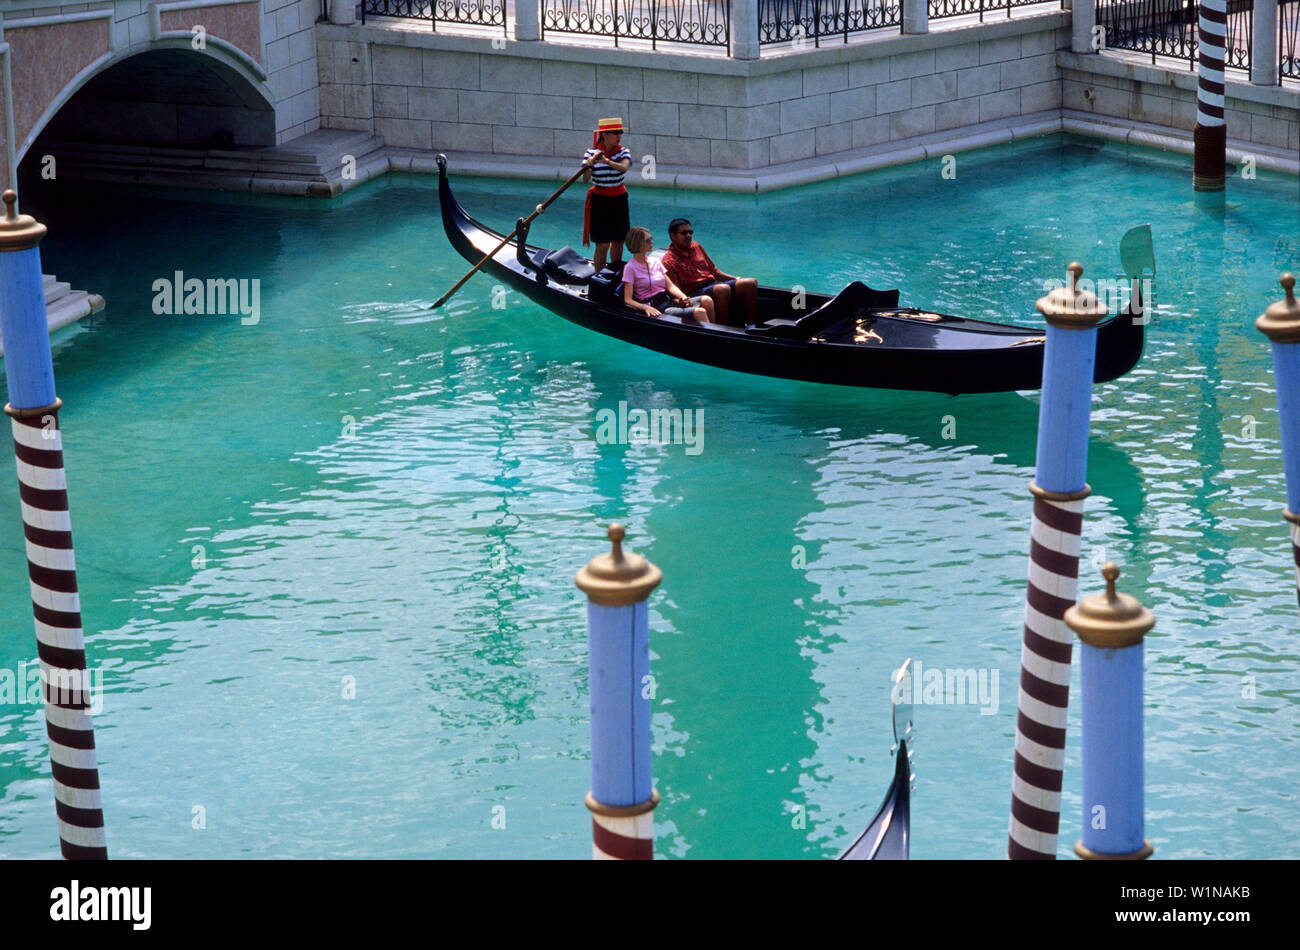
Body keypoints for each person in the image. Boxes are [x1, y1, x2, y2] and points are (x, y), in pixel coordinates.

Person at [660, 218, 759, 326]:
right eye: (684, 233)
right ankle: (722, 329)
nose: (688, 235)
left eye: (690, 232)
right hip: (694, 292)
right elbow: (675, 290)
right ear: (673, 235)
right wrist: (682, 300)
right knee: (723, 289)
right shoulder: (668, 261)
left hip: (712, 284)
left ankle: (751, 326)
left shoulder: (696, 246)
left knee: (750, 283)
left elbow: (714, 271)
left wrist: (735, 279)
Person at [621, 227, 715, 323]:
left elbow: (670, 286)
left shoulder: (655, 262)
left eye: (651, 239)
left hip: (668, 301)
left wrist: (683, 297)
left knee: (707, 300)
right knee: (700, 312)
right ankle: (712, 337)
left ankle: (717, 331)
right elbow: (627, 299)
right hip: (656, 307)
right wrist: (645, 307)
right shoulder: (630, 268)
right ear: (638, 243)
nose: (651, 242)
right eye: (648, 240)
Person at [581, 117, 632, 273]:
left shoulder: (623, 151)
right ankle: (599, 277)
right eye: (616, 133)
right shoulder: (590, 153)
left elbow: (624, 168)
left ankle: (615, 274)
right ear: (604, 134)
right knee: (602, 244)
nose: (619, 136)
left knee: (618, 241)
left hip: (619, 200)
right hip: (600, 201)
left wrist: (607, 161)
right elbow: (585, 179)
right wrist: (589, 164)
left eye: (620, 133)